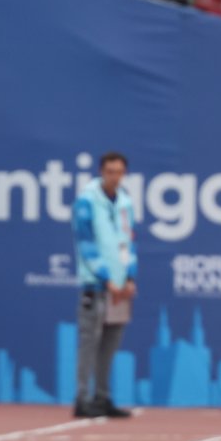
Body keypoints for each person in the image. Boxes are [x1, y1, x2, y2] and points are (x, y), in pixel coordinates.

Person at [71, 152, 136, 419]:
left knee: (110, 345)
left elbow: (128, 242)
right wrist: (106, 277)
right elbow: (85, 244)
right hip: (96, 285)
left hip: (120, 289)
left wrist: (129, 277)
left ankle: (103, 397)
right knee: (90, 343)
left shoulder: (125, 202)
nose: (115, 177)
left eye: (119, 172)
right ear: (101, 171)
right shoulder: (86, 200)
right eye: (110, 171)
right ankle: (82, 399)